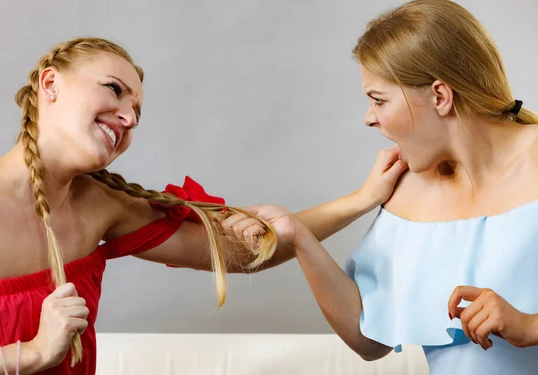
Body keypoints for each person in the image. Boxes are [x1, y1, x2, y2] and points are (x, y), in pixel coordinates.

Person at [0, 37, 408, 374]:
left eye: (137, 115)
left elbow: (244, 253)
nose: (127, 118)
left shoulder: (103, 205)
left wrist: (362, 199)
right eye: (114, 90)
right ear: (50, 84)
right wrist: (35, 354)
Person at [227, 0, 538, 373]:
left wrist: (531, 325)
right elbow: (368, 338)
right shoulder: (409, 189)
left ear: (440, 96)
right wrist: (299, 237)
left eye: (379, 100)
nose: (369, 118)